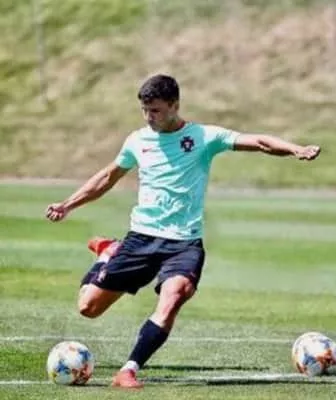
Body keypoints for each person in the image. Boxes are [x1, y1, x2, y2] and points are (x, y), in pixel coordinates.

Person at [45, 74, 321, 388]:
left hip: (184, 243)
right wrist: (68, 204)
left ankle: (129, 369)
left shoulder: (204, 136)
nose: (149, 117)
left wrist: (295, 149)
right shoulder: (137, 140)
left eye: (156, 110)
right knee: (88, 308)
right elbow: (108, 177)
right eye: (145, 110)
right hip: (141, 238)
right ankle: (108, 253)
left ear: (175, 106)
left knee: (175, 295)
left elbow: (258, 142)